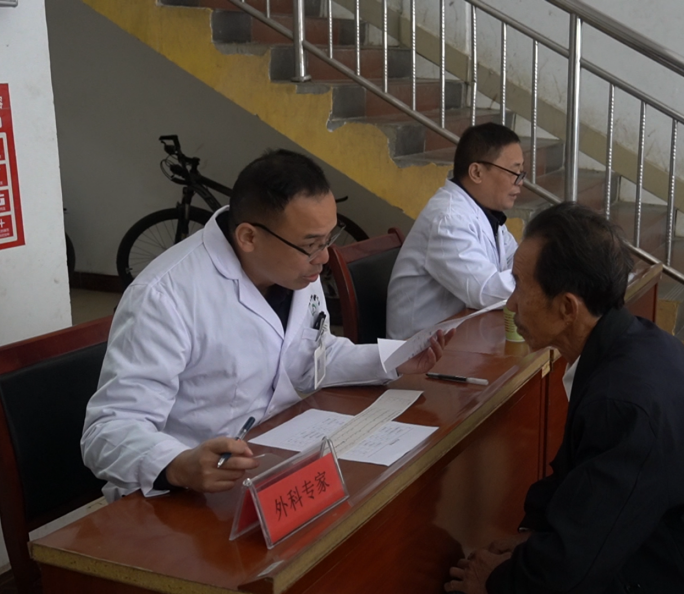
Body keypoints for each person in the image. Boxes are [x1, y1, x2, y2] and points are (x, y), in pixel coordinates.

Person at [445, 203, 684, 594]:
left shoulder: (624, 401)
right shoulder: (637, 342)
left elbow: (575, 564)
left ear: (567, 308)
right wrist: (533, 537)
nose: (510, 305)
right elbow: (583, 482)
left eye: (519, 287)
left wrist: (494, 581)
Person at [82, 149, 449, 501]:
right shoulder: (165, 295)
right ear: (248, 237)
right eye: (311, 244)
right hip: (184, 493)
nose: (324, 257)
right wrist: (177, 465)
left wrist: (393, 358)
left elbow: (312, 355)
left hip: (273, 462)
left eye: (328, 240)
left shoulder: (295, 270)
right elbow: (107, 431)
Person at [387, 122, 523, 339]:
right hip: (422, 350)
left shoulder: (486, 213)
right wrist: (546, 280)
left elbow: (518, 263)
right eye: (514, 172)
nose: (519, 182)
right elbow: (487, 292)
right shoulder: (448, 219)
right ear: (476, 172)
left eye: (521, 173)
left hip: (464, 336)